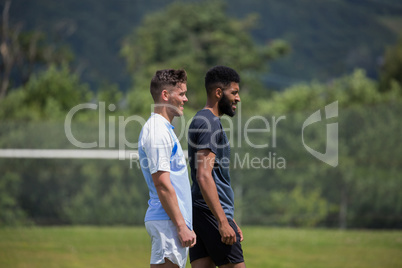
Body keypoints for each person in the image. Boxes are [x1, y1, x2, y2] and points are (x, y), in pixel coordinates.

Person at [188, 65, 245, 268]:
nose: (238, 98)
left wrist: (228, 216)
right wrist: (222, 221)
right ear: (218, 92)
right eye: (234, 92)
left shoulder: (201, 119)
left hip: (202, 211)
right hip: (210, 213)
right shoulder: (209, 122)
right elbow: (204, 176)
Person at [138, 69, 196, 268]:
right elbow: (162, 183)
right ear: (165, 95)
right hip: (168, 223)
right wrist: (181, 226)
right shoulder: (157, 131)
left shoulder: (164, 130)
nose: (185, 99)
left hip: (170, 222)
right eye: (181, 93)